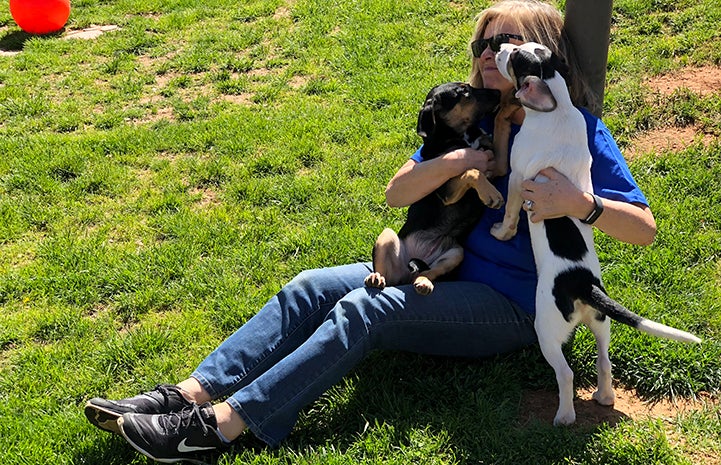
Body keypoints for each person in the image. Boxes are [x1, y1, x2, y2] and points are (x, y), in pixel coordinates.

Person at [84, 0, 656, 462]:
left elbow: (645, 229)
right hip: (426, 266)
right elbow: (398, 193)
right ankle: (184, 396)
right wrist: (460, 161)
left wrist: (580, 203)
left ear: (535, 54)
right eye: (482, 43)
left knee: (366, 310)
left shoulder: (574, 128)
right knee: (310, 285)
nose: (488, 54)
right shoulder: (469, 121)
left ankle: (220, 428)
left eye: (503, 43)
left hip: (509, 304)